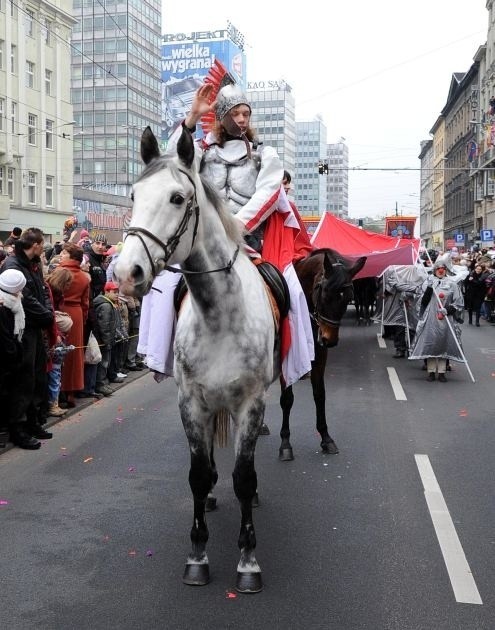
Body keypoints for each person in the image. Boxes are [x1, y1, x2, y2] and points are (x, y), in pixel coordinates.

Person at [148, 78, 314, 386]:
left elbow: (267, 194)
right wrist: (192, 119)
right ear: (222, 117)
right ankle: (164, 355)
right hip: (205, 243)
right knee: (166, 286)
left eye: (245, 114)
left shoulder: (265, 155)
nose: (241, 120)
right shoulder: (202, 151)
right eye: (235, 114)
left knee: (290, 291)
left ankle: (278, 358)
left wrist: (235, 227)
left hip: (248, 243)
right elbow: (173, 162)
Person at [1, 228, 54, 448]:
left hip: (33, 327)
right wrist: (47, 316)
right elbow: (27, 299)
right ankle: (18, 428)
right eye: (42, 245)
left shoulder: (32, 265)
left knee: (36, 377)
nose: (43, 250)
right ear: (36, 245)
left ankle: (32, 421)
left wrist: (47, 314)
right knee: (23, 380)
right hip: (22, 330)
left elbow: (41, 292)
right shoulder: (14, 266)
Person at [408, 254, 464, 382]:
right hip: (430, 319)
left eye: (443, 268)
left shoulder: (452, 284)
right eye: (438, 268)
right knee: (431, 344)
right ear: (434, 270)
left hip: (446, 320)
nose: (440, 270)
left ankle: (442, 372)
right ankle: (431, 372)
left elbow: (459, 302)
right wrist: (429, 288)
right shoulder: (428, 282)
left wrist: (449, 310)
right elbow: (422, 301)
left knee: (443, 344)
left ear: (446, 270)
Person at [58, 243, 91, 406]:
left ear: (72, 257)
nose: (61, 255)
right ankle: (72, 392)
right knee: (75, 353)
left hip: (60, 311)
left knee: (58, 351)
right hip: (77, 314)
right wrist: (83, 319)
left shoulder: (59, 272)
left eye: (64, 253)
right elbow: (86, 303)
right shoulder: (85, 277)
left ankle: (58, 393)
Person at [0, 269, 26, 447]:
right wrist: (14, 355)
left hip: (10, 355)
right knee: (5, 394)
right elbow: (5, 337)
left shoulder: (13, 301)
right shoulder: (4, 306)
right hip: (5, 360)